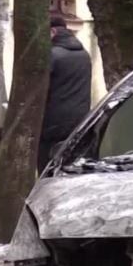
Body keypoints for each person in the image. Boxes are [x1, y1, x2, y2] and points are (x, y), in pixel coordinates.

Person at [38, 14, 92, 172]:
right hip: (80, 122)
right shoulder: (84, 55)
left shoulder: (52, 56)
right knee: (71, 167)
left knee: (47, 169)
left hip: (52, 125)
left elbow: (41, 90)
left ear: (53, 32)